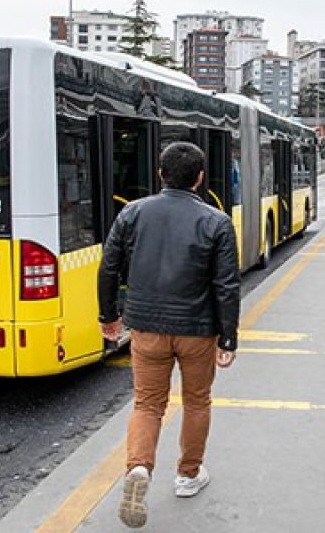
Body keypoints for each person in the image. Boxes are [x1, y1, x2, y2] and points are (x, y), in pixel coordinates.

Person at [97, 141, 240, 529]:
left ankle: (139, 468)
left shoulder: (132, 213)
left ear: (160, 174)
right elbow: (226, 285)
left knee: (147, 404)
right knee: (196, 402)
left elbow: (109, 267)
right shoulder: (216, 221)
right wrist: (228, 338)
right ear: (199, 178)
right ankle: (189, 474)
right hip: (197, 330)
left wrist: (108, 315)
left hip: (147, 328)